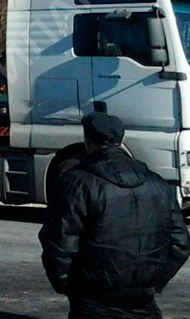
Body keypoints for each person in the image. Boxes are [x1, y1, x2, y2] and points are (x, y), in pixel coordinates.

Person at [39, 112, 189, 318]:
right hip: (143, 301)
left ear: (87, 141)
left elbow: (58, 243)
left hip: (94, 301)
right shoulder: (157, 183)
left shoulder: (77, 183)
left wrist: (70, 287)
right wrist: (153, 282)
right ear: (121, 140)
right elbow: (180, 245)